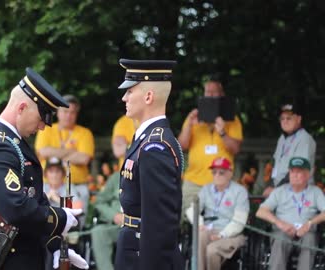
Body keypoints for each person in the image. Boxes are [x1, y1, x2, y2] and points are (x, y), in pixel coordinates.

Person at [0, 68, 88, 270]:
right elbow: (16, 207)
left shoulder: (15, 143)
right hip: (8, 255)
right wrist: (60, 218)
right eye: (41, 117)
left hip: (24, 249)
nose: (43, 126)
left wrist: (53, 244)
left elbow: (34, 197)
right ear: (21, 108)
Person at [114, 59, 184, 270]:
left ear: (148, 96)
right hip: (134, 248)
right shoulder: (146, 138)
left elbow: (159, 222)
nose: (124, 97)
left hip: (143, 254)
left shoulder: (155, 147)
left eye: (130, 91)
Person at [178, 78, 243, 219]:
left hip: (221, 182)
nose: (211, 96)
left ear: (222, 95)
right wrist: (189, 125)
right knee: (190, 220)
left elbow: (236, 149)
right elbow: (181, 146)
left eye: (215, 93)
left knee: (219, 221)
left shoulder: (233, 120)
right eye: (208, 92)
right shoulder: (193, 117)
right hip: (194, 182)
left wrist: (223, 132)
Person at [256, 157, 325, 270]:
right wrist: (279, 223)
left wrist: (310, 223)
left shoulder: (315, 192)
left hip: (306, 232)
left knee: (309, 240)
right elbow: (261, 211)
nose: (295, 175)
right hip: (283, 231)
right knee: (280, 239)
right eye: (292, 171)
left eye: (299, 172)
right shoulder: (279, 191)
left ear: (308, 175)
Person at [186, 157, 249, 270]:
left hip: (231, 234)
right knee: (200, 235)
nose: (217, 175)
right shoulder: (206, 189)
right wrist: (200, 224)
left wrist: (222, 234)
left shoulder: (240, 192)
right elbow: (192, 210)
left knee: (211, 250)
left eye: (221, 172)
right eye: (214, 172)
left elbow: (240, 221)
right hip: (209, 230)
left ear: (230, 173)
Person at [34, 94, 95, 211]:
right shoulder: (46, 129)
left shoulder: (85, 133)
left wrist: (55, 152)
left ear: (76, 114)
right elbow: (42, 151)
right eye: (65, 111)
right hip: (48, 184)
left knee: (81, 203)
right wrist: (72, 152)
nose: (68, 115)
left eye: (72, 112)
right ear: (57, 112)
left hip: (77, 185)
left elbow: (84, 158)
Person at [262, 101, 316, 197]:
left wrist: (276, 190)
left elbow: (297, 169)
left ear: (299, 119)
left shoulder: (304, 139)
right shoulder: (282, 138)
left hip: (299, 192)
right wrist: (271, 185)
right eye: (282, 118)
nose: (285, 121)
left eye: (289, 118)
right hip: (281, 190)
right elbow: (274, 165)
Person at [90, 171, 121, 270]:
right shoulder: (117, 177)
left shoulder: (150, 176)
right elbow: (99, 202)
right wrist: (113, 215)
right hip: (116, 226)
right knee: (98, 232)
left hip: (141, 227)